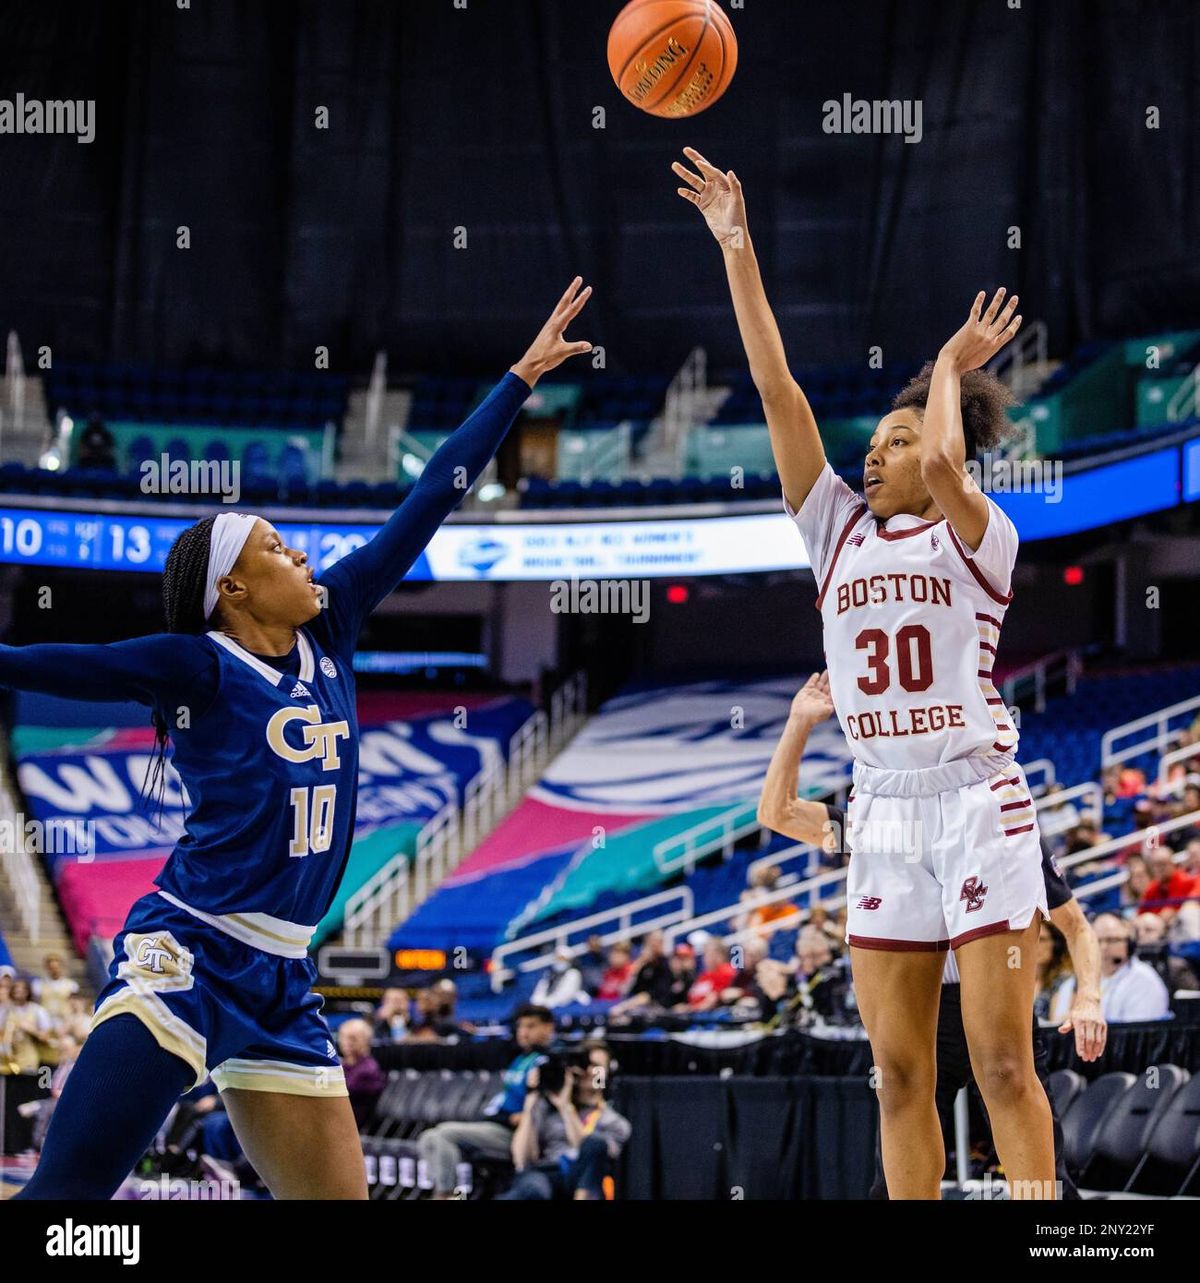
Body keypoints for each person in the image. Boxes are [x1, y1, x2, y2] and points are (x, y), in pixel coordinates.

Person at [6, 279, 594, 1201]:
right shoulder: (193, 664)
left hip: (282, 977)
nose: (303, 557)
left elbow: (427, 503)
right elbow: (54, 663)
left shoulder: (334, 626)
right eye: (277, 550)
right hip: (188, 957)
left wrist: (517, 379)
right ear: (231, 592)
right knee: (65, 1203)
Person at [759, 672, 1099, 1200]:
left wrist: (1090, 997)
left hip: (993, 1002)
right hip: (928, 1011)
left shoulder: (1001, 835)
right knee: (895, 1126)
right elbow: (776, 812)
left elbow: (1078, 928)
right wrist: (799, 722)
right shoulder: (885, 826)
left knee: (1035, 1147)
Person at [417, 1004, 555, 1200]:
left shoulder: (549, 1063)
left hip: (516, 1135)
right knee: (428, 1137)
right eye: (521, 1027)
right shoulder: (521, 1059)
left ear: (548, 1028)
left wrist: (524, 1116)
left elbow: (552, 1107)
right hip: (496, 1124)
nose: (523, 1032)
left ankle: (446, 1195)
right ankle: (449, 1193)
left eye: (531, 1026)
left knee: (443, 1135)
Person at [498, 1042, 630, 1201]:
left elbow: (587, 1152)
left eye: (596, 1066)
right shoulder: (548, 1107)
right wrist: (531, 1099)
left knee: (595, 1143)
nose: (588, 1071)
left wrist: (566, 1107)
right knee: (534, 1189)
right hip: (546, 1172)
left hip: (585, 1179)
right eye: (584, 1064)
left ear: (608, 1073)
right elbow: (521, 1160)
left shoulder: (615, 1122)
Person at [1054, 913, 1171, 1022]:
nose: (1104, 947)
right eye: (1097, 941)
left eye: (1112, 940)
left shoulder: (1145, 981)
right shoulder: (1072, 984)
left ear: (1130, 943)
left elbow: (1137, 1036)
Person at [609, 930, 674, 1017]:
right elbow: (627, 989)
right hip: (639, 1007)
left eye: (657, 941)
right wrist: (641, 961)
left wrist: (624, 1007)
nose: (653, 945)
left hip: (660, 1010)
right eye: (650, 942)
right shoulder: (644, 965)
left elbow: (651, 995)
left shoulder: (666, 964)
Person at [337, 1018, 385, 1130]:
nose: (346, 1042)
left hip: (355, 1125)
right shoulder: (341, 1065)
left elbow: (343, 1092)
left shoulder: (368, 1069)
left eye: (353, 1038)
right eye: (343, 1037)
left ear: (365, 1041)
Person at [32, 954, 79, 1022]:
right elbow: (35, 1004)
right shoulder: (38, 984)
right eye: (51, 968)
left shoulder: (72, 985)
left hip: (65, 1020)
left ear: (62, 967)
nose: (54, 971)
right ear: (46, 968)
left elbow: (75, 1005)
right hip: (46, 1020)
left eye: (57, 967)